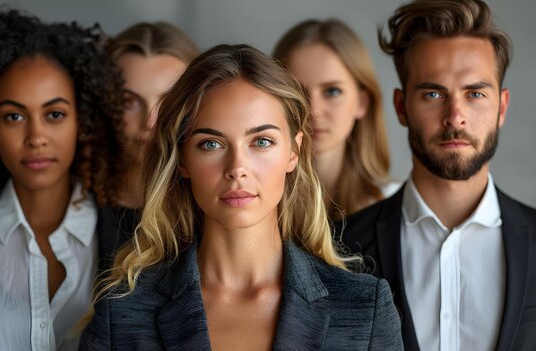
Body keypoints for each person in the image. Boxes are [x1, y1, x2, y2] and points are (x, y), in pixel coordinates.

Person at [80, 44, 403, 350]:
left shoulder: (365, 307)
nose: (237, 168)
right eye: (211, 144)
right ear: (182, 160)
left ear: (294, 151)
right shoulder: (122, 313)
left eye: (261, 142)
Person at [340, 0, 536, 350]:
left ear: (502, 107)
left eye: (475, 93)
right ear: (402, 107)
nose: (455, 116)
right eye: (433, 94)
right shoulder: (340, 250)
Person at [0, 10, 129, 350]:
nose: (36, 137)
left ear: (82, 121)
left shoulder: (135, 238)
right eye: (14, 116)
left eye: (55, 114)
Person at [274, 19, 399, 218]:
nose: (313, 111)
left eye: (332, 91)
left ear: (362, 102)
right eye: (297, 92)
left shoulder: (393, 206)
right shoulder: (255, 203)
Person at [107, 22, 199, 209]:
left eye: (168, 101)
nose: (150, 122)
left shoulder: (218, 207)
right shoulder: (73, 203)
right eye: (128, 102)